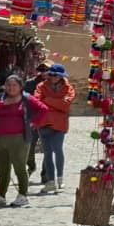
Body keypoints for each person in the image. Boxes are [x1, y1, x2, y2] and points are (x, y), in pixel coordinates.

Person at [0, 73, 46, 207]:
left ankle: (23, 195)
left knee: (20, 167)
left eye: (14, 85)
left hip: (19, 139)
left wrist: (34, 123)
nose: (11, 88)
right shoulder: (0, 98)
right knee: (3, 169)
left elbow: (43, 109)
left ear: (20, 87)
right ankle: (1, 196)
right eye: (8, 85)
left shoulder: (27, 99)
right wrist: (2, 104)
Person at [35, 63, 76, 194]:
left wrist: (47, 100)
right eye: (51, 74)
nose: (52, 77)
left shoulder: (68, 88)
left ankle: (60, 178)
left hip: (59, 124)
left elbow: (66, 103)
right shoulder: (41, 86)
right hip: (44, 123)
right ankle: (50, 181)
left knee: (58, 149)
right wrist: (56, 104)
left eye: (55, 75)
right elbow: (37, 101)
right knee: (47, 153)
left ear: (60, 76)